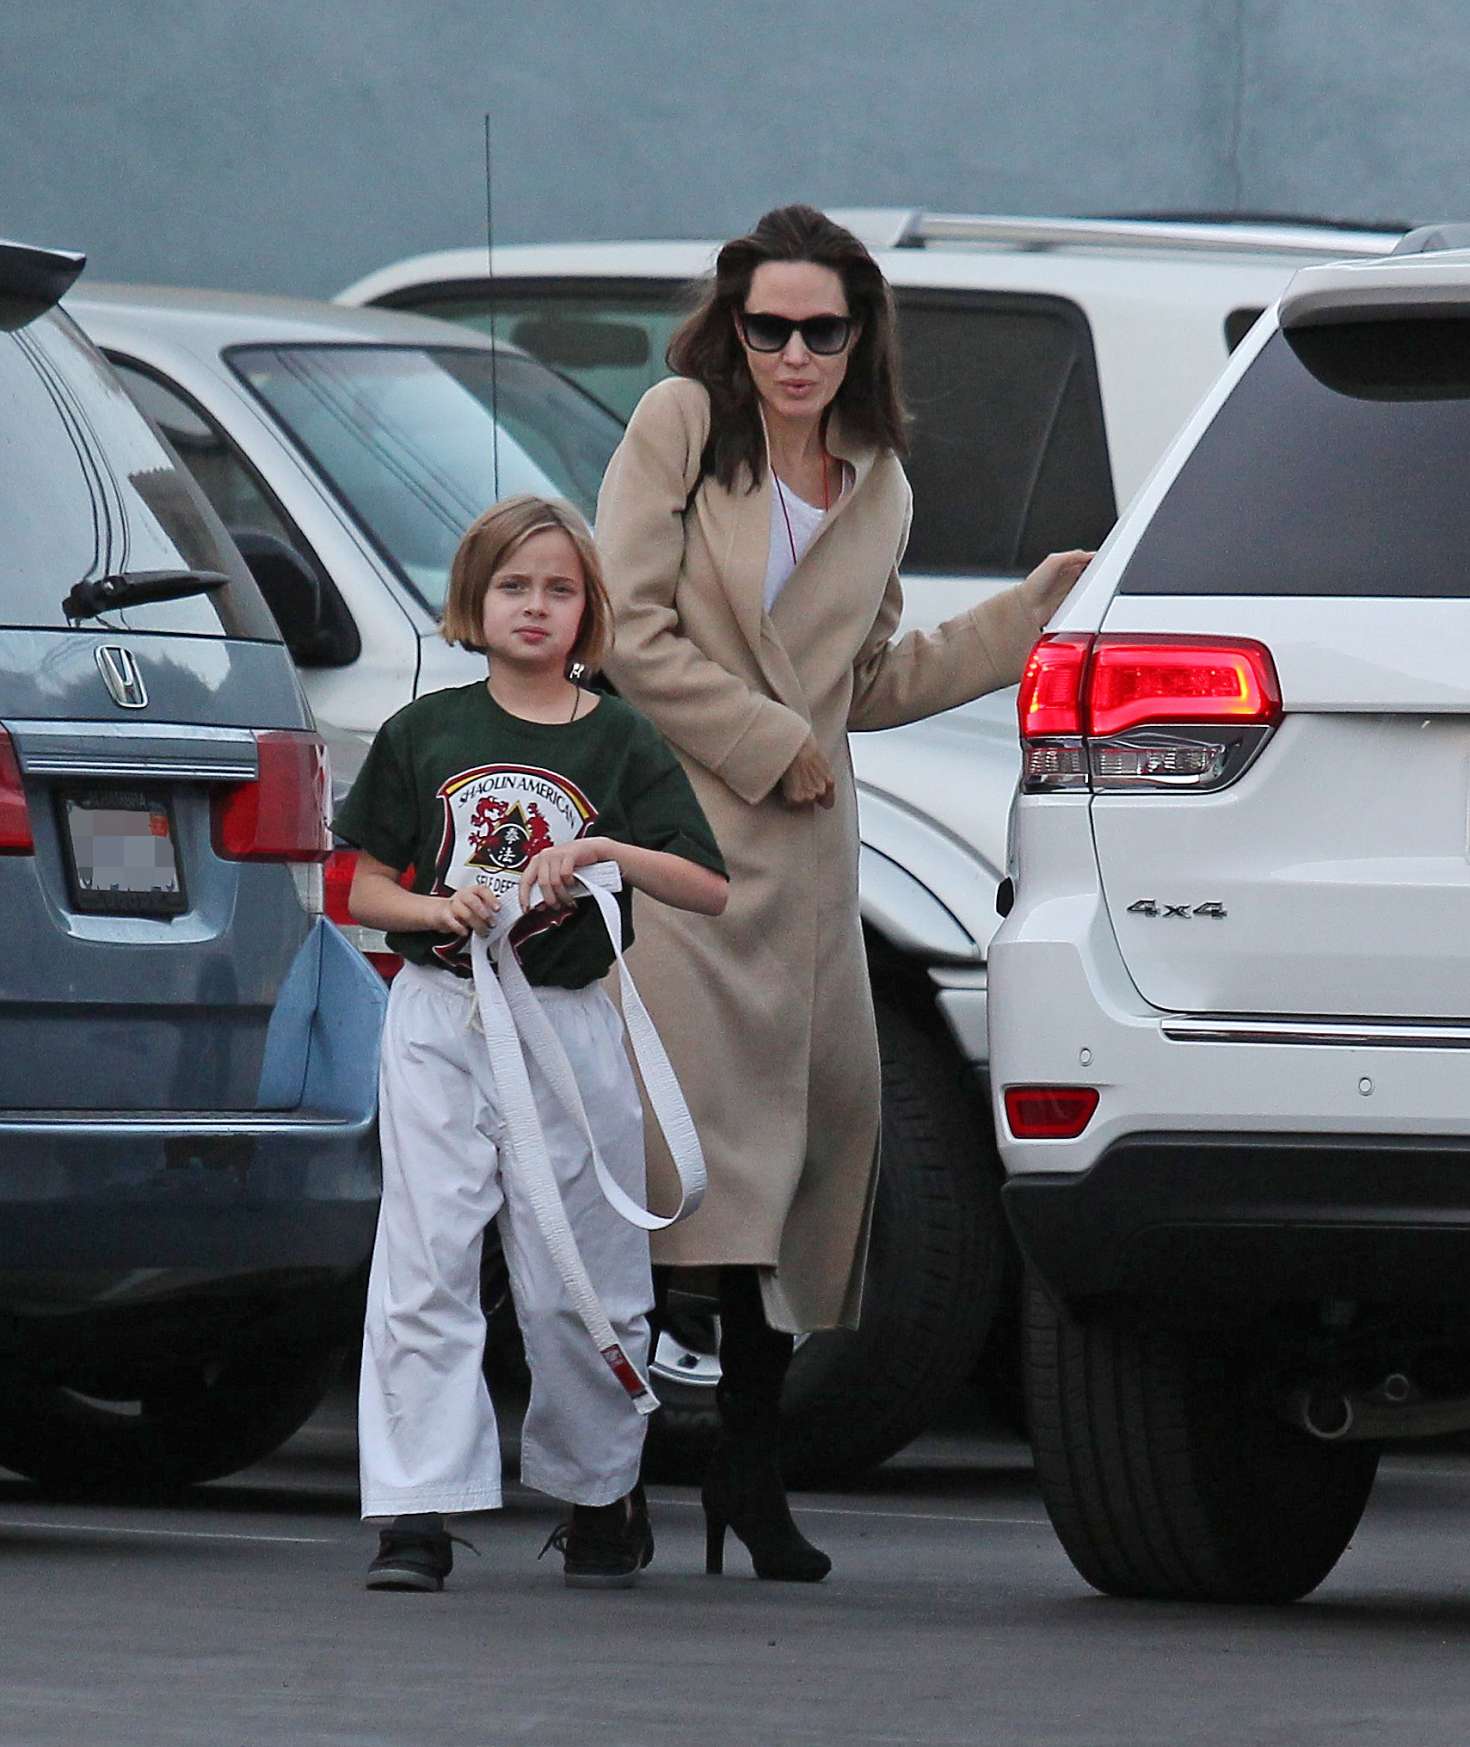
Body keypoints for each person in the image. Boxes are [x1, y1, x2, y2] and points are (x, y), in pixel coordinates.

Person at [595, 204, 1092, 1582]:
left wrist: (1022, 618)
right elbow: (627, 635)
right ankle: (606, 1484)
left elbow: (863, 682)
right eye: (769, 327)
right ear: (731, 327)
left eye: (821, 328)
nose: (795, 353)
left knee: (798, 1182)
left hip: (810, 871)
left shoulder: (878, 478)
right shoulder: (680, 426)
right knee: (664, 1178)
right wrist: (769, 745)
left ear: (860, 332)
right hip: (682, 847)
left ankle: (749, 1484)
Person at [336, 494, 728, 1593]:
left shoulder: (618, 736)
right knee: (425, 1263)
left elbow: (707, 883)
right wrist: (435, 909)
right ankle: (415, 1511)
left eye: (559, 588)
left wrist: (603, 848)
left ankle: (602, 1490)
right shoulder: (426, 731)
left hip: (569, 1022)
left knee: (580, 1273)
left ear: (587, 609)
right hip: (441, 1018)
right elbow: (363, 884)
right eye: (515, 585)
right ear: (476, 600)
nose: (536, 606)